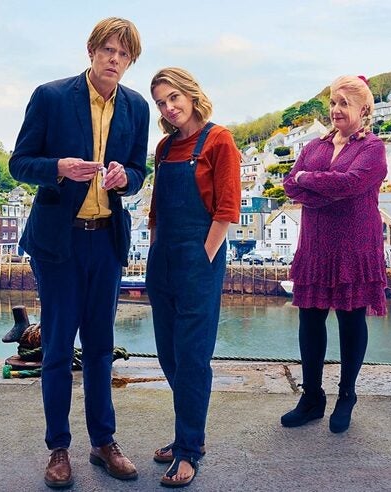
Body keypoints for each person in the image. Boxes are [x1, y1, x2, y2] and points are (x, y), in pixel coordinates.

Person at [8, 17, 148, 489]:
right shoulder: (50, 96)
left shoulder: (137, 106)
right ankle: (58, 448)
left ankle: (103, 441)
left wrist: (127, 178)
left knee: (102, 347)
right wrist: (58, 168)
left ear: (130, 61)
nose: (114, 59)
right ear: (91, 51)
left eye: (123, 54)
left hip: (106, 241)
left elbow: (138, 171)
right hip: (58, 242)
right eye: (108, 49)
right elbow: (19, 163)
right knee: (57, 348)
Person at [146, 68, 241, 488]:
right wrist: (154, 248)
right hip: (161, 259)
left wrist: (203, 257)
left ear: (190, 94)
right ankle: (185, 432)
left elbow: (226, 211)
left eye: (173, 97)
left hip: (197, 261)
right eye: (161, 103)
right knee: (168, 354)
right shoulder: (164, 147)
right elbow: (154, 210)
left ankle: (189, 450)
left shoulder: (219, 140)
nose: (169, 108)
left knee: (193, 358)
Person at [281, 75, 387, 434]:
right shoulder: (314, 146)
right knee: (309, 320)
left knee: (350, 320)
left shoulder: (373, 148)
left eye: (344, 103)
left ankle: (346, 395)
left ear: (363, 109)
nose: (336, 109)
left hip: (354, 246)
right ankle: (312, 398)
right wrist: (321, 184)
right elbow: (290, 183)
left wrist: (311, 180)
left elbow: (352, 184)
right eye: (333, 102)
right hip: (315, 245)